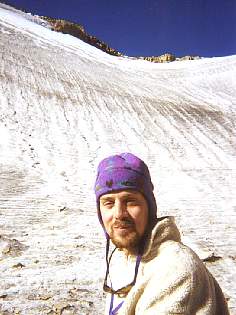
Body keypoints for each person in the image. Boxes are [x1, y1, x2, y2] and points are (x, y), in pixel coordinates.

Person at [94, 152, 229, 315]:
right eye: (108, 203)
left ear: (149, 208)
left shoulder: (176, 269)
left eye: (130, 201)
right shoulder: (123, 258)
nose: (119, 213)